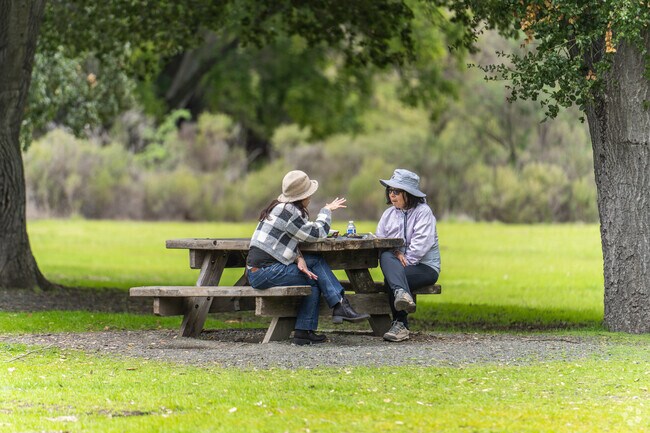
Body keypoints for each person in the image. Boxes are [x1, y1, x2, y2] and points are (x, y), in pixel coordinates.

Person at [246, 170, 370, 346]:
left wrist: (298, 258)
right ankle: (337, 307)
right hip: (262, 272)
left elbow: (286, 240)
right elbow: (316, 233)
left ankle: (308, 330)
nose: (310, 197)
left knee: (315, 269)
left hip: (261, 270)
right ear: (300, 197)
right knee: (315, 275)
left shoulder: (280, 208)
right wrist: (326, 210)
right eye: (309, 194)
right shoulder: (289, 211)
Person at [375, 169, 441, 342]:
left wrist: (406, 261)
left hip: (424, 267)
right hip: (398, 264)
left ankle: (400, 324)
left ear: (409, 194)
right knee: (386, 256)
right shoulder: (388, 214)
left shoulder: (423, 212)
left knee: (393, 278)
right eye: (390, 191)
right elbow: (380, 241)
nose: (392, 195)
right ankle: (401, 297)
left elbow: (422, 243)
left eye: (396, 191)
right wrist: (396, 253)